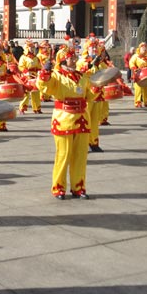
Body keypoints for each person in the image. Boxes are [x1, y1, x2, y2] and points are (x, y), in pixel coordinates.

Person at [37, 47, 98, 199]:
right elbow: (44, 87)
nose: (75, 59)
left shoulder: (82, 76)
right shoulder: (56, 76)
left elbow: (89, 95)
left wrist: (99, 86)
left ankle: (79, 187)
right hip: (63, 119)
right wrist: (45, 73)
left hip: (82, 120)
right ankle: (59, 188)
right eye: (71, 57)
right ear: (63, 60)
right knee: (63, 155)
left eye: (74, 57)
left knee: (81, 156)